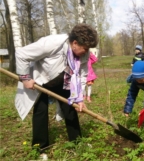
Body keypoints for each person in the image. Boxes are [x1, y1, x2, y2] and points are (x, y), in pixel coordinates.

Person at [15, 24, 99, 156]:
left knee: (71, 108)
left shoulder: (84, 54)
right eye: (85, 48)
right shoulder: (52, 43)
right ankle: (40, 148)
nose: (87, 51)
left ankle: (77, 142)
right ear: (75, 43)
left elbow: (82, 75)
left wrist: (79, 97)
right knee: (40, 112)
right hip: (41, 80)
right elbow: (21, 54)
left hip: (64, 80)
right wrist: (25, 78)